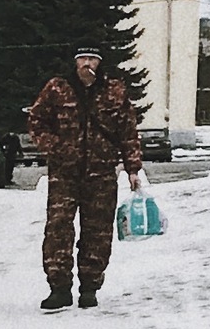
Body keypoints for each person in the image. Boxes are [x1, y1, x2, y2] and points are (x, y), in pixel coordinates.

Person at [26, 48, 144, 311]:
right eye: (82, 59)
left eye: (92, 59)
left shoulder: (114, 91)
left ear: (99, 63)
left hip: (101, 173)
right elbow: (36, 121)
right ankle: (59, 288)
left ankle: (89, 287)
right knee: (58, 228)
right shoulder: (57, 88)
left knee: (98, 232)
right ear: (75, 61)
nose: (86, 64)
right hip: (64, 173)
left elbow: (128, 131)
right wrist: (54, 147)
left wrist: (133, 168)